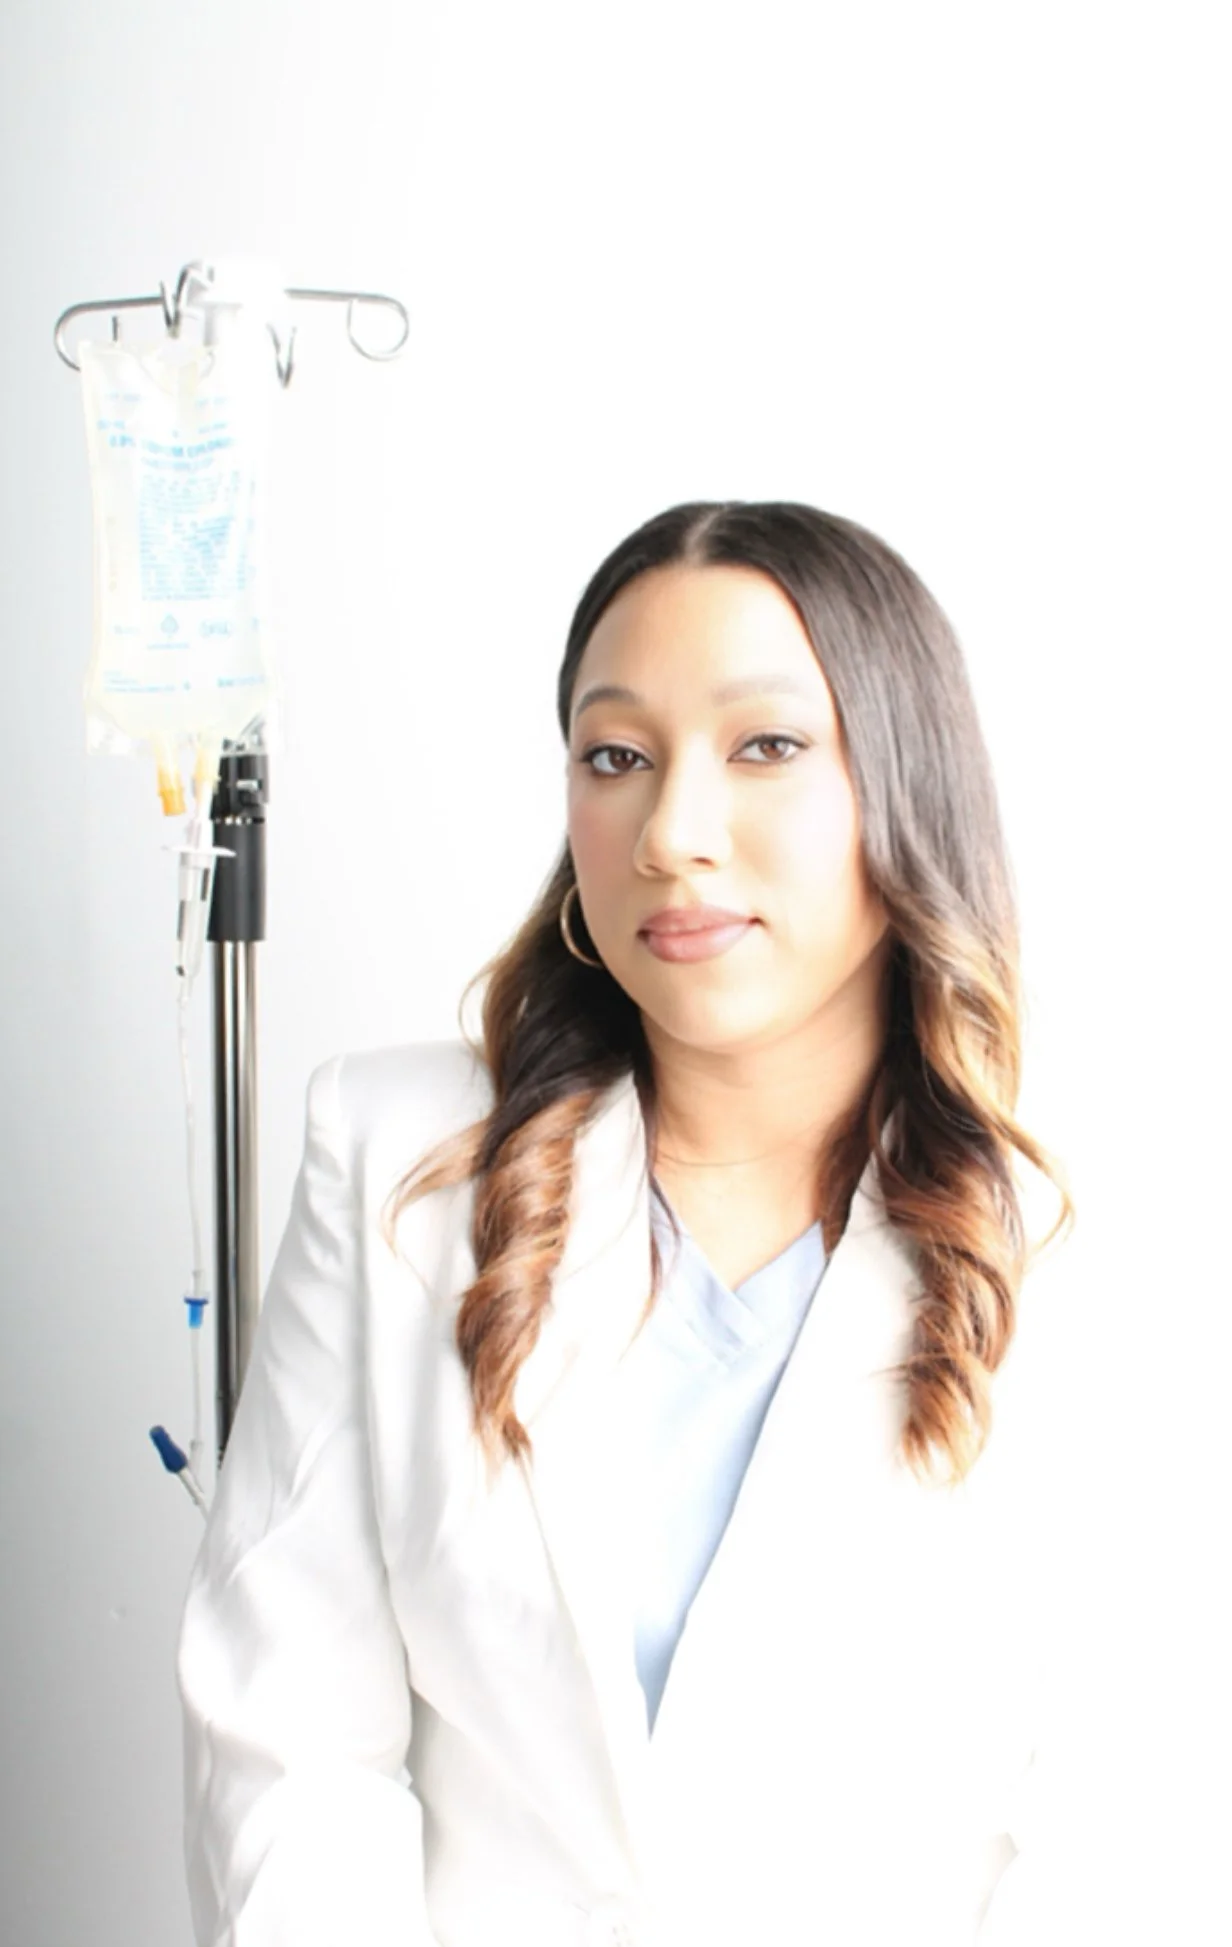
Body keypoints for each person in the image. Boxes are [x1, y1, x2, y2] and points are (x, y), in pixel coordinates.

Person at [177, 500, 1088, 1947]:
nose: (670, 831)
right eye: (616, 757)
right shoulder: (395, 1162)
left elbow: (1112, 1815)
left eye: (765, 747)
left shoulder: (1069, 1237)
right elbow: (291, 1744)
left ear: (907, 786)